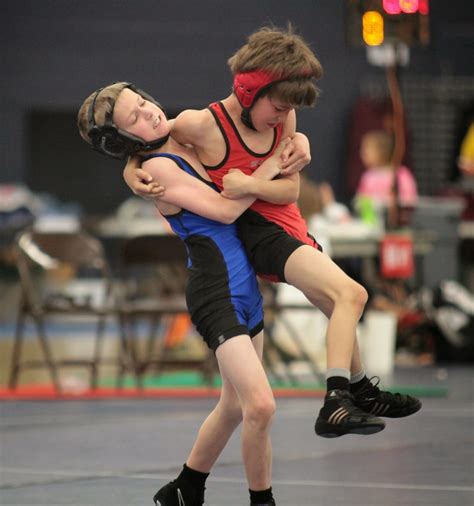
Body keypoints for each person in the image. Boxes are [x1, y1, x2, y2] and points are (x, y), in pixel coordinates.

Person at [125, 25, 421, 441]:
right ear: (248, 93)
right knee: (351, 294)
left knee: (335, 303)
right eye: (278, 109)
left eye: (288, 112)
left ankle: (360, 389)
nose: (283, 117)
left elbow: (292, 188)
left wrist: (253, 182)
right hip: (262, 234)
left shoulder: (286, 117)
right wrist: (130, 172)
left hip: (290, 224)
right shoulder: (200, 124)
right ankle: (338, 399)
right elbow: (147, 142)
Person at [77, 82, 293, 506]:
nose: (149, 113)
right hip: (216, 293)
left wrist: (128, 165)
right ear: (125, 140)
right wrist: (269, 169)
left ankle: (185, 488)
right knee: (261, 406)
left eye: (143, 102)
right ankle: (262, 501)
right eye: (135, 119)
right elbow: (229, 208)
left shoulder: (178, 131)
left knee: (234, 406)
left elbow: (173, 132)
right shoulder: (155, 169)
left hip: (245, 286)